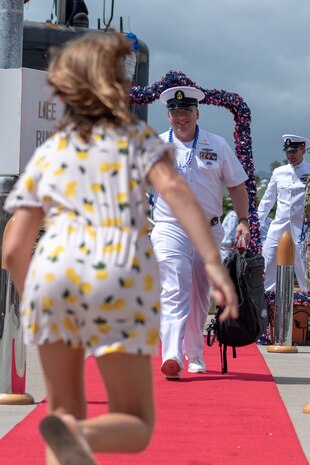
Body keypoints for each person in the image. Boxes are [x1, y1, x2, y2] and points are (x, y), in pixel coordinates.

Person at [2, 32, 238, 465]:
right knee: (133, 421)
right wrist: (213, 262)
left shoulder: (51, 151)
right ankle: (81, 432)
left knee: (64, 410)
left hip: (53, 276)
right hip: (113, 272)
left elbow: (16, 242)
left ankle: (69, 429)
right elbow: (178, 195)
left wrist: (31, 297)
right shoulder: (140, 140)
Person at [150, 85, 250, 379]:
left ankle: (193, 353)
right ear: (168, 116)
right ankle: (170, 354)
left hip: (207, 230)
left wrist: (243, 219)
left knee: (199, 295)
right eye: (175, 112)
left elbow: (237, 186)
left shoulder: (216, 145)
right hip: (170, 227)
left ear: (197, 113)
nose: (181, 117)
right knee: (175, 286)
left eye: (186, 111)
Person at [258, 134, 310, 291]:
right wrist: (255, 226)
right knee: (268, 268)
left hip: (302, 230)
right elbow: (267, 201)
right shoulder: (279, 172)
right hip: (278, 228)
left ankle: (306, 308)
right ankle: (266, 309)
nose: (290, 155)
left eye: (294, 151)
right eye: (287, 152)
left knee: (304, 274)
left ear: (303, 150)